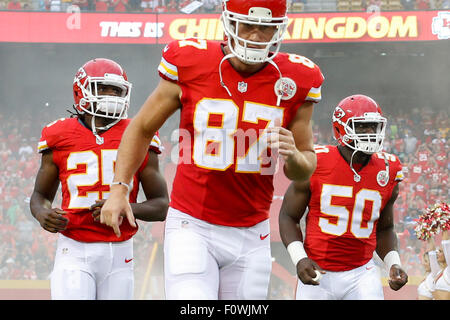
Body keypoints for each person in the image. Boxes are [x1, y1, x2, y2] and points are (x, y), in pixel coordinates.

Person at [100, 0, 324, 300]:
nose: (257, 35)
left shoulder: (297, 79)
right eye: (249, 24)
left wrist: (294, 157)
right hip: (193, 224)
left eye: (266, 28)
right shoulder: (191, 61)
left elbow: (305, 165)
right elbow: (141, 127)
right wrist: (119, 188)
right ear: (229, 22)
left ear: (280, 29)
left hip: (251, 230)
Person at [30, 58, 169, 300]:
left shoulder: (138, 132)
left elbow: (161, 205)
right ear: (80, 91)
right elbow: (39, 197)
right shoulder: (59, 135)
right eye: (102, 88)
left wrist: (126, 207)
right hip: (73, 247)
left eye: (116, 90)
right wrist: (43, 214)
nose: (110, 95)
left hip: (120, 250)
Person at [279, 94, 408, 300]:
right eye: (362, 127)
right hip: (317, 270)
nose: (370, 133)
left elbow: (385, 228)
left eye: (373, 127)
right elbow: (288, 216)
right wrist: (299, 258)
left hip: (361, 272)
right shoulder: (316, 161)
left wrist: (393, 263)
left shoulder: (388, 168)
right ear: (341, 128)